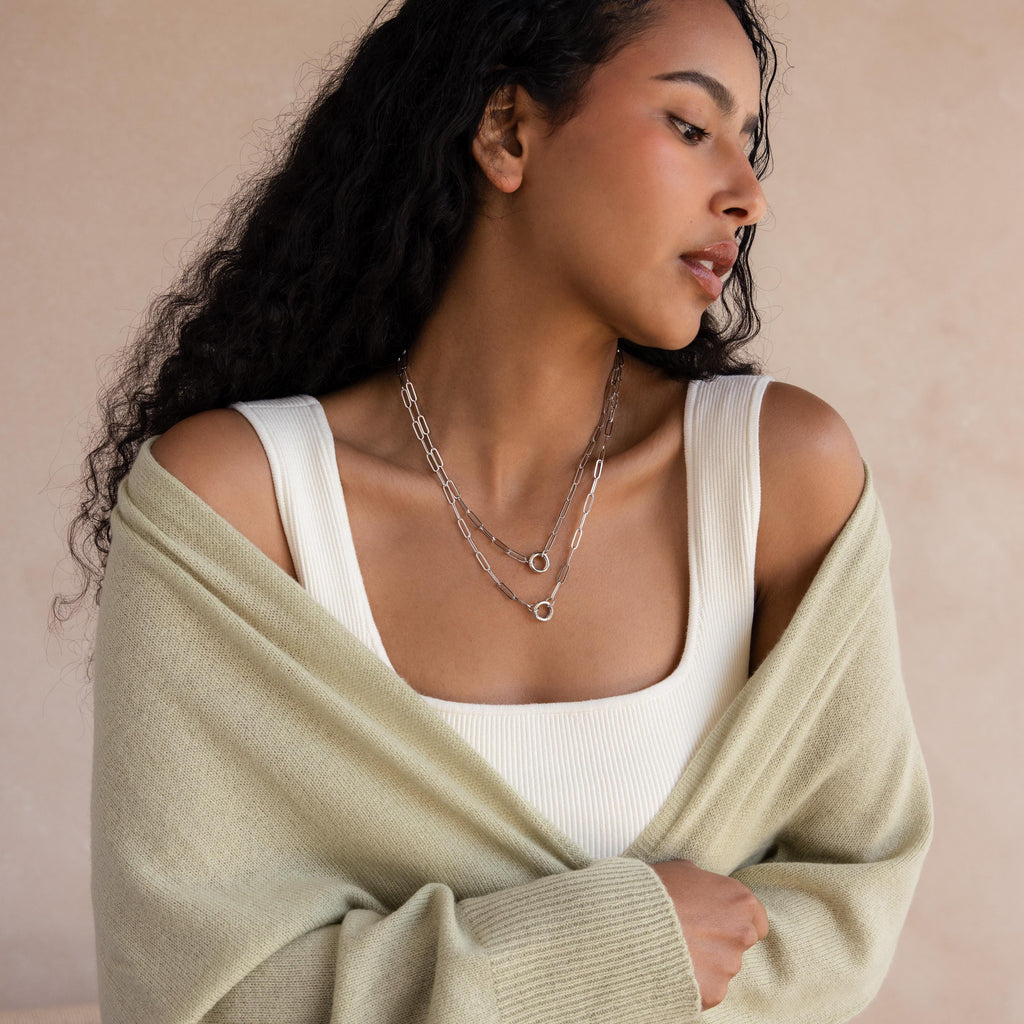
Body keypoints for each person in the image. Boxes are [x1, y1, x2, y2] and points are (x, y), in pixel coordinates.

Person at [66, 0, 933, 1021]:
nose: (745, 196)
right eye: (691, 128)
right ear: (510, 132)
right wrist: (619, 950)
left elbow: (849, 903)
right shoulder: (236, 506)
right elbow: (193, 996)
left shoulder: (778, 479)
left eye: (748, 146)